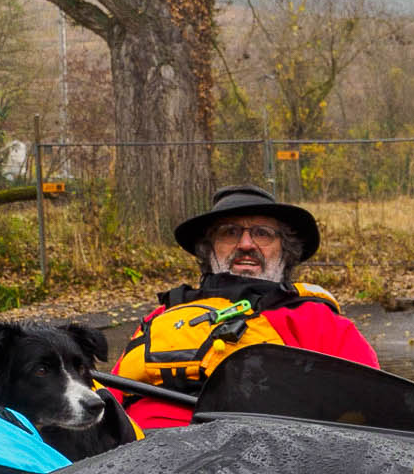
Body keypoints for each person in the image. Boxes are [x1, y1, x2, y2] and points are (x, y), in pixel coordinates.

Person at [111, 184, 378, 432]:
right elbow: (104, 402)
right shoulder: (161, 319)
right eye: (230, 233)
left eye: (263, 233)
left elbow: (375, 409)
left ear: (285, 251)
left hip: (264, 466)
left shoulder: (319, 322)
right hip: (145, 461)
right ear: (209, 248)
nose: (246, 244)